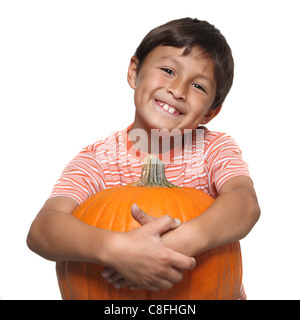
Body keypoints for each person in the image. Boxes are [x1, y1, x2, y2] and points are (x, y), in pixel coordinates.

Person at [27, 17, 260, 299]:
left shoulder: (213, 149)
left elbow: (244, 204)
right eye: (167, 70)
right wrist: (117, 249)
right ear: (134, 72)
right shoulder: (100, 160)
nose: (178, 90)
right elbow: (42, 230)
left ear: (210, 112)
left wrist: (177, 243)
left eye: (198, 86)